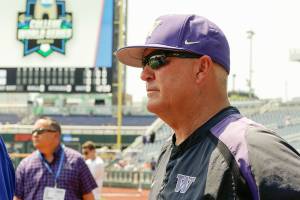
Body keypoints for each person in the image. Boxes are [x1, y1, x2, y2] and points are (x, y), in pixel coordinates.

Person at [116, 14, 300, 200]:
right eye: (144, 64)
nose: (144, 74)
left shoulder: (251, 149)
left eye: (156, 60)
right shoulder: (168, 150)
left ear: (202, 68)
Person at [14, 117, 97, 200]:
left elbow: (88, 197)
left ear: (56, 135)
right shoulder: (25, 165)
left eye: (40, 131)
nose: (35, 135)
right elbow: (17, 197)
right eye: (33, 132)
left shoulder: (76, 160)